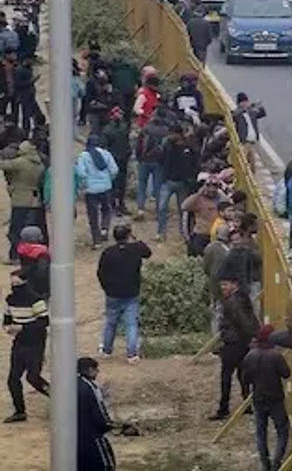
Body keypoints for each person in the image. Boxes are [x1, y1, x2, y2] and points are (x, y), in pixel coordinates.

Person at [96, 225, 151, 363]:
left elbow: (100, 272)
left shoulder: (108, 252)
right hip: (131, 292)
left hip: (112, 293)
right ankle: (132, 354)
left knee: (111, 322)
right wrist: (136, 239)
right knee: (131, 324)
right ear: (128, 236)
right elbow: (148, 252)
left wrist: (106, 288)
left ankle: (107, 350)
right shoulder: (135, 250)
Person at [241, 325, 292, 470]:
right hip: (275, 398)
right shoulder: (276, 355)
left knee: (260, 432)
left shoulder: (250, 356)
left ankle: (265, 464)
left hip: (258, 397)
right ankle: (277, 462)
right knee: (282, 430)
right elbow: (286, 373)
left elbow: (245, 379)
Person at [211, 270, 259, 420]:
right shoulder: (242, 298)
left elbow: (242, 321)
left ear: (234, 285)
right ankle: (247, 404)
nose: (223, 288)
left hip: (233, 343)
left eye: (225, 284)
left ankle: (223, 408)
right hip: (242, 342)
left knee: (227, 375)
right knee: (242, 375)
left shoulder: (232, 302)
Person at [3, 266, 48, 423]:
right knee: (12, 379)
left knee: (33, 377)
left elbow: (44, 322)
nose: (15, 287)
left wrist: (22, 327)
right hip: (20, 342)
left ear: (25, 282)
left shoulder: (36, 299)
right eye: (12, 284)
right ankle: (20, 411)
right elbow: (7, 318)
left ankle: (60, 399)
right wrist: (7, 328)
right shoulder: (10, 299)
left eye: (17, 284)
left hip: (35, 342)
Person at [78, 135, 120, 248]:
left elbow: (81, 173)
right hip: (106, 187)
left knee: (93, 215)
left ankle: (97, 241)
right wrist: (109, 180)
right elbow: (114, 170)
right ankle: (104, 229)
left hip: (91, 190)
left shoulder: (83, 156)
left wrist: (84, 185)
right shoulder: (106, 154)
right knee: (106, 209)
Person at [76, 357, 117, 471]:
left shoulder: (67, 384)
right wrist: (111, 426)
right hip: (91, 438)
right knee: (106, 466)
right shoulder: (90, 387)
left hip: (70, 440)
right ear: (90, 370)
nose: (97, 373)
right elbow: (100, 416)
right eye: (96, 369)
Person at [232, 92, 266, 172]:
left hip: (253, 141)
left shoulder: (251, 112)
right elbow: (234, 115)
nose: (246, 103)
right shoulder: (238, 113)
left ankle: (252, 177)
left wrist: (259, 106)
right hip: (244, 142)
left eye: (246, 102)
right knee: (242, 162)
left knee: (252, 163)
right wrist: (246, 108)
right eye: (243, 102)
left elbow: (262, 114)